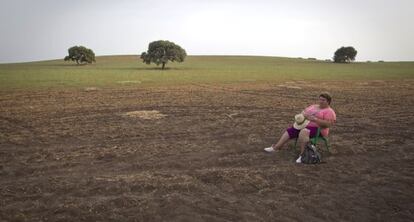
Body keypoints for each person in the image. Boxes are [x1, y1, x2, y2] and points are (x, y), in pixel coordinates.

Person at [264, 92, 336, 163]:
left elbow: (328, 124)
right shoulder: (314, 106)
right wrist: (304, 115)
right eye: (320, 99)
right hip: (304, 125)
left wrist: (315, 119)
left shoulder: (329, 111)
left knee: (304, 131)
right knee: (291, 130)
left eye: (323, 100)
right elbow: (304, 112)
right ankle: (276, 147)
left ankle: (303, 155)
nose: (321, 101)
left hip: (319, 130)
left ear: (328, 101)